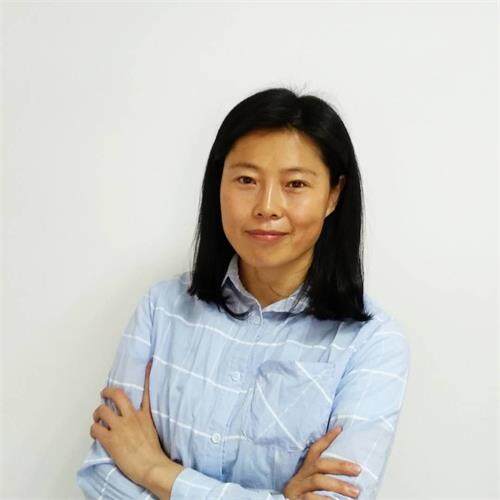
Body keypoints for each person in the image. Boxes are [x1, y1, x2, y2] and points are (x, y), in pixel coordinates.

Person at [76, 87, 410, 499]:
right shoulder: (162, 309)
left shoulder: (372, 344)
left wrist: (154, 470)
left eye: (295, 184)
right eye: (247, 180)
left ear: (333, 195)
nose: (267, 206)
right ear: (219, 183)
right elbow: (101, 477)